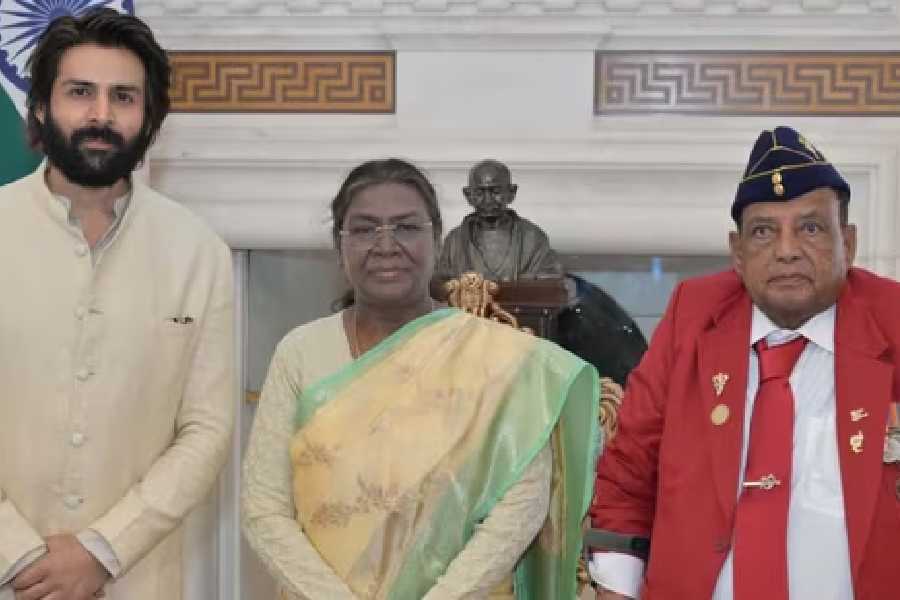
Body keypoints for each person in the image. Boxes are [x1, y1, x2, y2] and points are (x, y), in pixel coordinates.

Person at [241, 158, 598, 600]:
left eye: (406, 227)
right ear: (340, 245)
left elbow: (521, 503)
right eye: (365, 228)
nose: (386, 245)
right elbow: (264, 508)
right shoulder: (301, 352)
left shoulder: (493, 356)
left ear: (436, 239)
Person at [587, 126, 900, 600]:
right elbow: (629, 474)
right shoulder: (693, 316)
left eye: (811, 227)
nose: (787, 249)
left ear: (848, 243)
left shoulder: (891, 321)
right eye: (763, 231)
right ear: (737, 253)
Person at [0, 10, 234, 600]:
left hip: (134, 579)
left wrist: (103, 551)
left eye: (123, 97)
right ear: (40, 108)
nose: (101, 115)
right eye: (80, 92)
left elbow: (206, 430)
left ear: (149, 119)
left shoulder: (199, 253)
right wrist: (20, 556)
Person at [436, 159, 562, 282]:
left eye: (495, 191)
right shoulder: (454, 242)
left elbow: (550, 284)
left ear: (511, 192)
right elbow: (440, 285)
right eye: (480, 193)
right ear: (468, 195)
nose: (488, 200)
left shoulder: (533, 238)